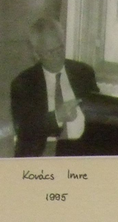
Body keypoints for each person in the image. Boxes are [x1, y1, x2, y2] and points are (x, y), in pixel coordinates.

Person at [11, 17, 100, 158]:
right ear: (36, 54)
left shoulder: (84, 73)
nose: (58, 56)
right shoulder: (24, 83)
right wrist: (57, 116)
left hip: (83, 150)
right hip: (44, 152)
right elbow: (24, 129)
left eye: (60, 48)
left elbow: (98, 115)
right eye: (50, 52)